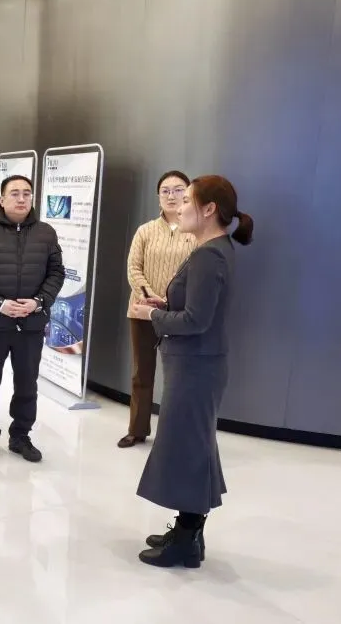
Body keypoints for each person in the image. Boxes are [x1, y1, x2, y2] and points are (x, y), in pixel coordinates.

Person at [131, 175, 254, 568]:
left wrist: (152, 315)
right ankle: (189, 533)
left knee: (188, 449)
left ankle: (186, 540)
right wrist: (165, 304)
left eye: (186, 201)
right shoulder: (213, 250)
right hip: (197, 365)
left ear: (209, 209)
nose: (179, 207)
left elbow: (196, 321)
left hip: (196, 367)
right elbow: (195, 308)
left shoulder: (208, 255)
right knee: (192, 445)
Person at [0, 174, 65, 463]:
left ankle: (20, 436)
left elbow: (56, 273)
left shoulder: (46, 233)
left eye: (26, 193)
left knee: (27, 384)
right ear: (1, 199)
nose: (22, 198)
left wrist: (38, 302)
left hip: (30, 325)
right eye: (15, 193)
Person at [121, 170, 195, 448]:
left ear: (189, 194)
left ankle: (174, 435)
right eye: (165, 190)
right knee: (141, 373)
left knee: (179, 376)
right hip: (142, 311)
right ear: (158, 196)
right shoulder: (145, 231)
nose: (171, 196)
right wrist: (151, 298)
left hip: (179, 315)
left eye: (178, 190)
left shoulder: (195, 232)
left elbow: (197, 272)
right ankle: (137, 429)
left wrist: (169, 303)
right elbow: (133, 268)